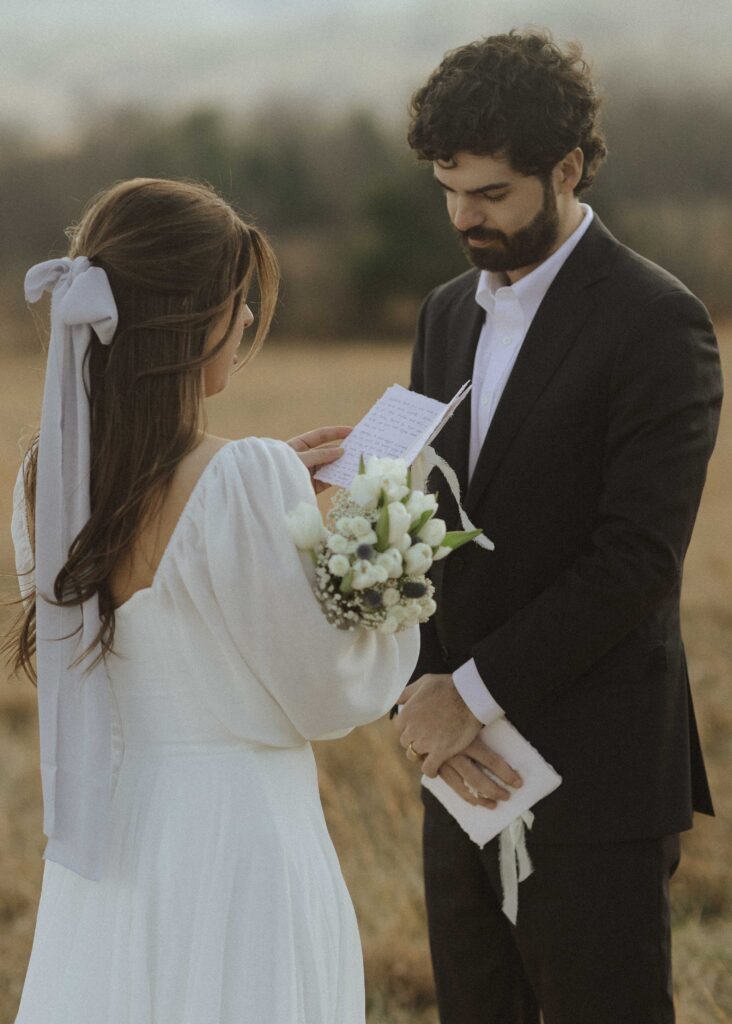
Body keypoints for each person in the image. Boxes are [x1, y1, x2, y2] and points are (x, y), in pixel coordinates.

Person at [7, 177, 419, 1024]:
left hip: (113, 838)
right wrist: (373, 537)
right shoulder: (241, 477)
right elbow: (329, 693)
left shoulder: (43, 479)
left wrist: (273, 508)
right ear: (201, 319)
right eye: (241, 306)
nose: (244, 327)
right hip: (240, 842)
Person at [394, 29, 723, 1024]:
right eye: (449, 190)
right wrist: (421, 688)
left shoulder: (657, 322)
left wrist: (473, 692)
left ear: (567, 167)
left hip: (597, 779)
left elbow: (636, 562)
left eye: (490, 193)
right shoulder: (444, 314)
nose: (464, 218)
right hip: (453, 773)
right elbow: (423, 526)